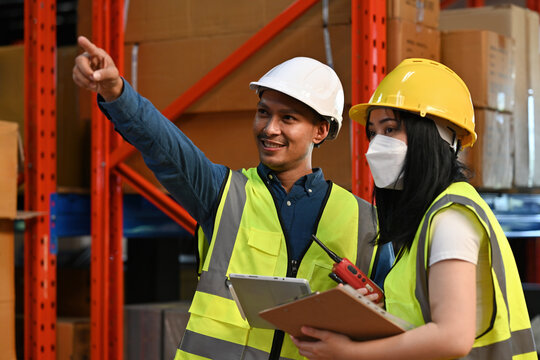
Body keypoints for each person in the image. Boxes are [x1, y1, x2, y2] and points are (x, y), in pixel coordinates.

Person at [72, 36, 394, 359]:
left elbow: (395, 322)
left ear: (320, 131)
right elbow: (165, 146)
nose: (269, 128)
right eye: (263, 113)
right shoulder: (223, 193)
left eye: (288, 118)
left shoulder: (365, 223)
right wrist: (117, 93)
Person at [291, 58, 537, 360]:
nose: (376, 146)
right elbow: (427, 321)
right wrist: (382, 311)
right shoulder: (427, 219)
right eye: (373, 132)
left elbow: (452, 338)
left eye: (391, 129)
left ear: (435, 137)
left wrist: (352, 353)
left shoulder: (451, 217)